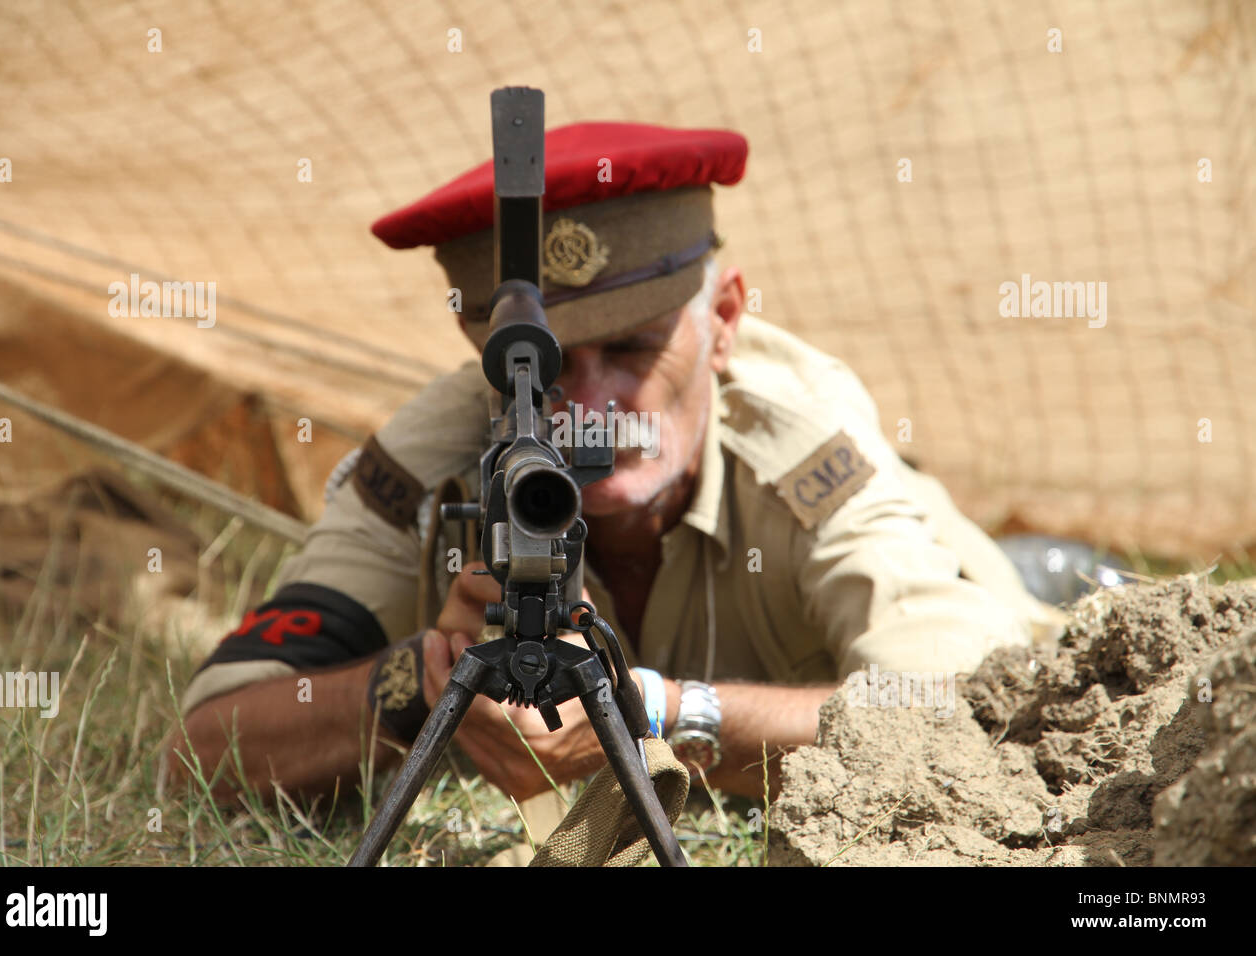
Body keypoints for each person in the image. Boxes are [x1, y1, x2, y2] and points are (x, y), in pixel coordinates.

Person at [167, 122, 1057, 805]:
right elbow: (200, 747)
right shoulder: (427, 462)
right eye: (545, 371)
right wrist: (418, 682)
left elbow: (963, 711)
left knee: (1061, 594)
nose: (589, 409)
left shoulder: (804, 438)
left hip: (994, 587)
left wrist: (662, 716)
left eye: (632, 349)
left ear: (726, 320)